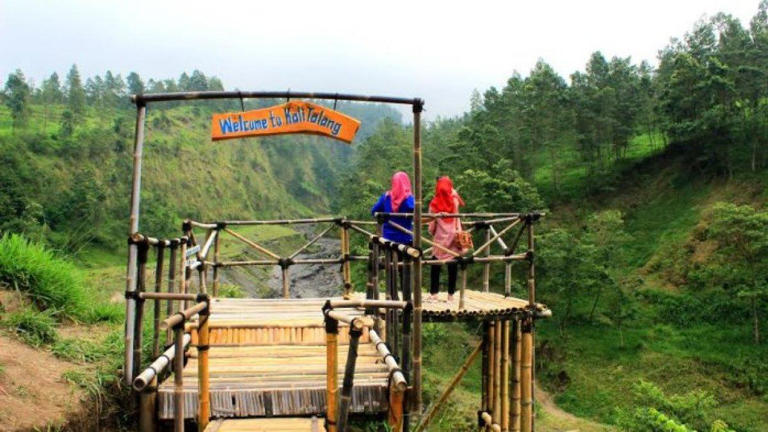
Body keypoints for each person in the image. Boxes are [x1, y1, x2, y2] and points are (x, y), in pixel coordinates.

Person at [428, 176, 465, 302]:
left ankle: (434, 293)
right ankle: (451, 295)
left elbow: (431, 224)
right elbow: (457, 217)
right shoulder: (454, 200)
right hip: (453, 238)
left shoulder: (434, 203)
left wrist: (432, 230)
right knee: (452, 267)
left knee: (435, 265)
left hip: (439, 240)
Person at [371, 171, 415, 245]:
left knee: (388, 256)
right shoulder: (410, 199)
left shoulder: (386, 197)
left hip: (388, 239)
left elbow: (374, 211)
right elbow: (416, 214)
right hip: (405, 239)